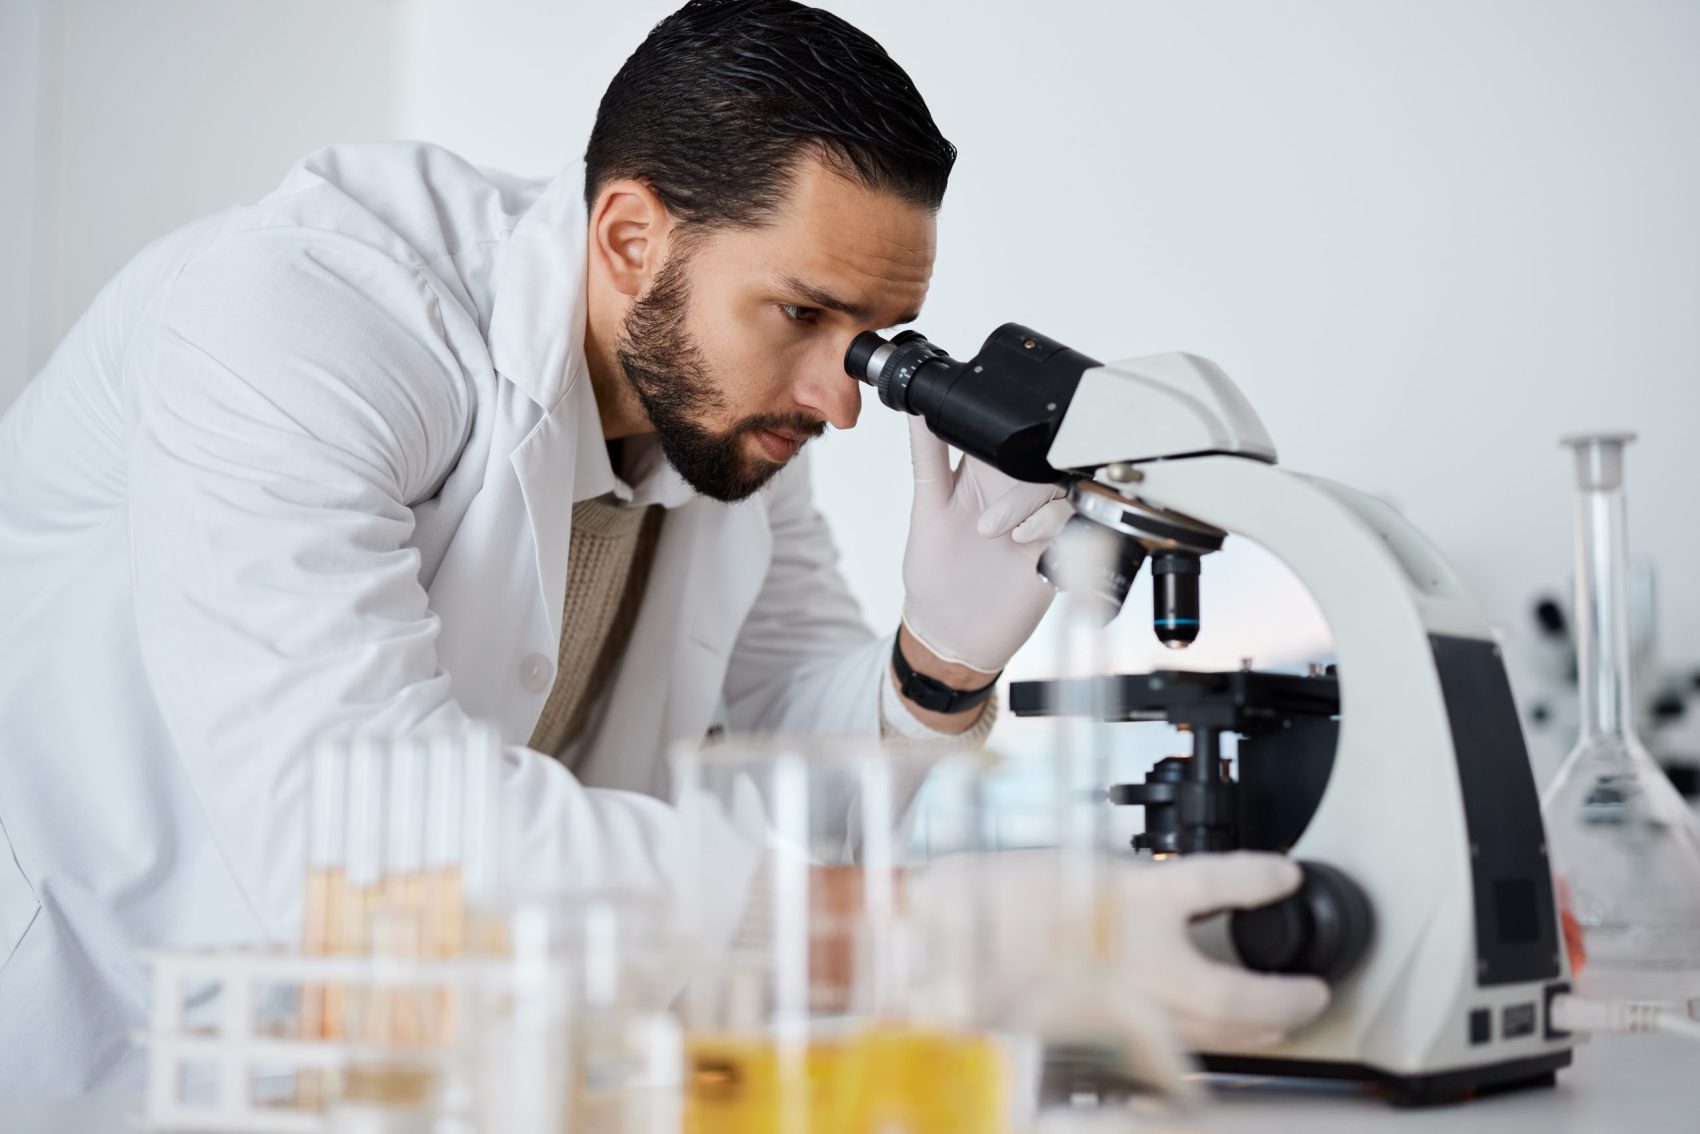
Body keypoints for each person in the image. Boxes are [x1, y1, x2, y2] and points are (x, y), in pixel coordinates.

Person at [0, 0, 1324, 1092]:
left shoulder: (725, 426)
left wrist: (936, 664)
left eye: (873, 337)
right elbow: (362, 842)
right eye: (804, 313)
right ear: (630, 238)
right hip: (115, 1019)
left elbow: (774, 765)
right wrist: (951, 940)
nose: (842, 397)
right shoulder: (304, 320)